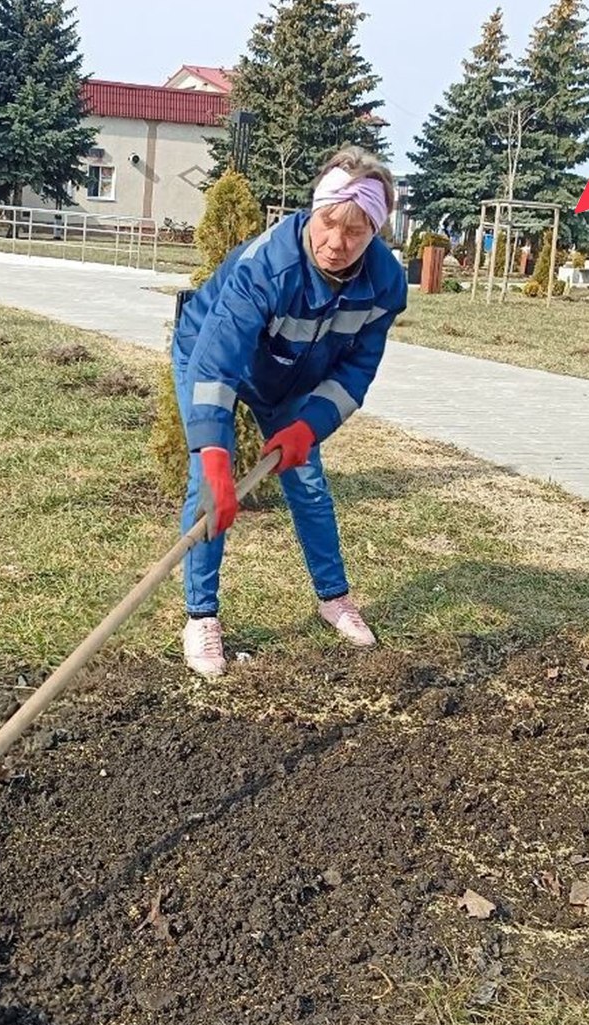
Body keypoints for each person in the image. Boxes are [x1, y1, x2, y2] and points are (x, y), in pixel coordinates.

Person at [170, 145, 409, 677]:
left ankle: (334, 597)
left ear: (376, 231)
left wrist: (308, 426)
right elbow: (217, 362)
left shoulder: (385, 283)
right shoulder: (267, 267)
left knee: (308, 481)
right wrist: (215, 454)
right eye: (328, 224)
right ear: (313, 210)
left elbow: (357, 370)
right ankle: (201, 616)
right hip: (210, 358)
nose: (336, 243)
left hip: (290, 378)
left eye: (356, 232)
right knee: (208, 483)